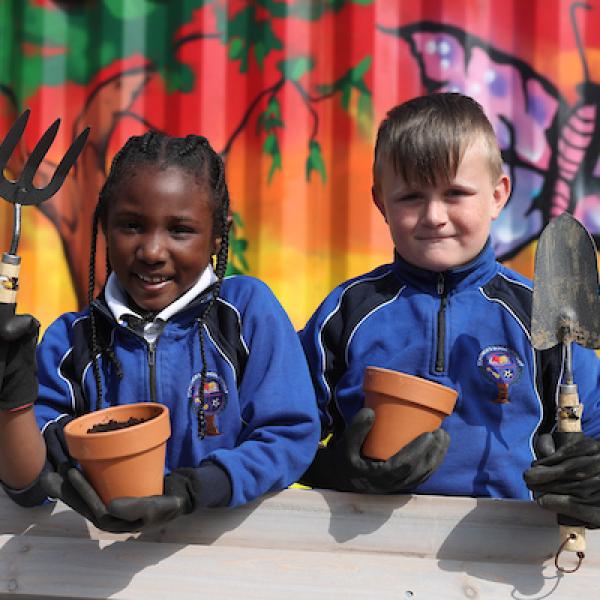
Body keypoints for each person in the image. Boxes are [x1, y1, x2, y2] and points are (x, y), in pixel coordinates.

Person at [298, 92, 600, 527]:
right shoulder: (346, 312)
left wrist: (590, 478)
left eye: (456, 193)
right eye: (411, 198)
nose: (434, 215)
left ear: (497, 196)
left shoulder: (542, 313)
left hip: (511, 561)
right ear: (381, 201)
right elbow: (281, 431)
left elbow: (594, 426)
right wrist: (335, 470)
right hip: (362, 551)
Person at [0, 131, 320, 532]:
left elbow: (289, 436)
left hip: (228, 565)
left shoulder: (245, 314)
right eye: (132, 226)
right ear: (103, 226)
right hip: (95, 576)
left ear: (219, 234)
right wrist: (12, 396)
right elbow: (30, 484)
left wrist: (197, 488)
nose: (152, 252)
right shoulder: (72, 342)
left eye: (180, 230)